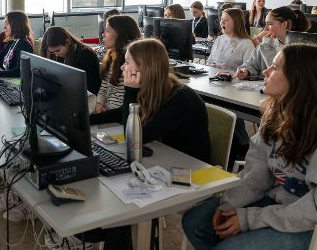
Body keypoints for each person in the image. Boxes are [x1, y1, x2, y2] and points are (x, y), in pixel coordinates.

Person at [182, 43, 317, 250]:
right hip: (279, 203)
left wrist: (250, 219)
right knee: (197, 222)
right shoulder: (275, 117)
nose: (265, 71)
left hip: (310, 223)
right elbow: (256, 174)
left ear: (299, 80)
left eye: (275, 67)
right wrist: (228, 205)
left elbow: (312, 210)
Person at [80, 38, 211, 249]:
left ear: (145, 68)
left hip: (187, 172)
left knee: (119, 201)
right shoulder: (155, 88)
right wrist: (84, 119)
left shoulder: (181, 98)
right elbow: (124, 119)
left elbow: (136, 136)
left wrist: (130, 92)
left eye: (127, 62)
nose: (122, 67)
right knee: (110, 186)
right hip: (161, 159)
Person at [235, 6, 310, 79]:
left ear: (284, 24)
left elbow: (280, 75)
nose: (266, 28)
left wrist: (267, 46)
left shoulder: (301, 49)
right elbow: (250, 64)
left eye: (270, 24)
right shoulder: (269, 43)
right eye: (265, 24)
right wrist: (246, 71)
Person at [92, 15, 141, 118]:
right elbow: (104, 86)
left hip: (118, 116)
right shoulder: (111, 55)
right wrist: (99, 104)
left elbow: (124, 104)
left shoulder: (130, 63)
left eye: (107, 31)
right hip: (106, 110)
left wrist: (104, 115)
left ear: (120, 34)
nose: (103, 34)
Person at [40, 26, 101, 95]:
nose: (56, 55)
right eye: (53, 52)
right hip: (71, 95)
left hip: (88, 97)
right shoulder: (63, 54)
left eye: (57, 50)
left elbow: (91, 87)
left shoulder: (86, 55)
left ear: (67, 42)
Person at [0, 11, 33, 78]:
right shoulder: (12, 42)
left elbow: (18, 72)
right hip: (8, 79)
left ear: (16, 25)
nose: (4, 27)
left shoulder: (24, 44)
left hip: (15, 83)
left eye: (7, 23)